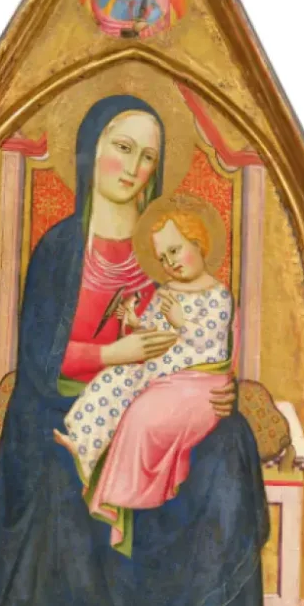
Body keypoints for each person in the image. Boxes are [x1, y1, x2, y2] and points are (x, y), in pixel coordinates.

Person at [0, 95, 275, 606]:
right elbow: (39, 360)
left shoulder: (167, 249)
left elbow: (200, 338)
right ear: (88, 151)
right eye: (122, 148)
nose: (134, 168)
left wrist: (216, 390)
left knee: (230, 448)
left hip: (156, 399)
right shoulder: (60, 248)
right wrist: (111, 354)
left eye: (148, 157)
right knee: (58, 463)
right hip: (61, 402)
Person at [55, 198, 236, 554]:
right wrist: (134, 321)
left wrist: (182, 321)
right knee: (109, 382)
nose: (170, 263)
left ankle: (120, 493)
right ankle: (84, 444)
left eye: (175, 250)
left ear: (197, 241)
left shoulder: (218, 295)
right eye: (163, 258)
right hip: (156, 372)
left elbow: (209, 341)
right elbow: (152, 329)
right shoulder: (166, 292)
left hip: (195, 381)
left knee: (139, 414)